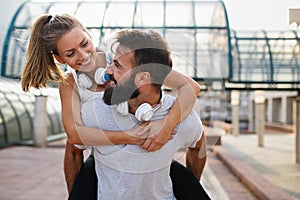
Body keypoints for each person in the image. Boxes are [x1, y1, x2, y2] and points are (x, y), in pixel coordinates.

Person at [20, 14, 207, 199]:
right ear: (60, 59)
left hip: (151, 158)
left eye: (84, 44)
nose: (84, 56)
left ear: (89, 35)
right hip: (104, 155)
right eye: (71, 53)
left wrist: (165, 126)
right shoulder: (70, 84)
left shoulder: (123, 58)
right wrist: (131, 137)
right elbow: (75, 135)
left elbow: (190, 86)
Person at [81, 28, 210, 199]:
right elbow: (73, 149)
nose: (108, 71)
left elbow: (199, 145)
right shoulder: (93, 111)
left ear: (143, 78)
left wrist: (190, 186)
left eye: (117, 66)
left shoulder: (182, 118)